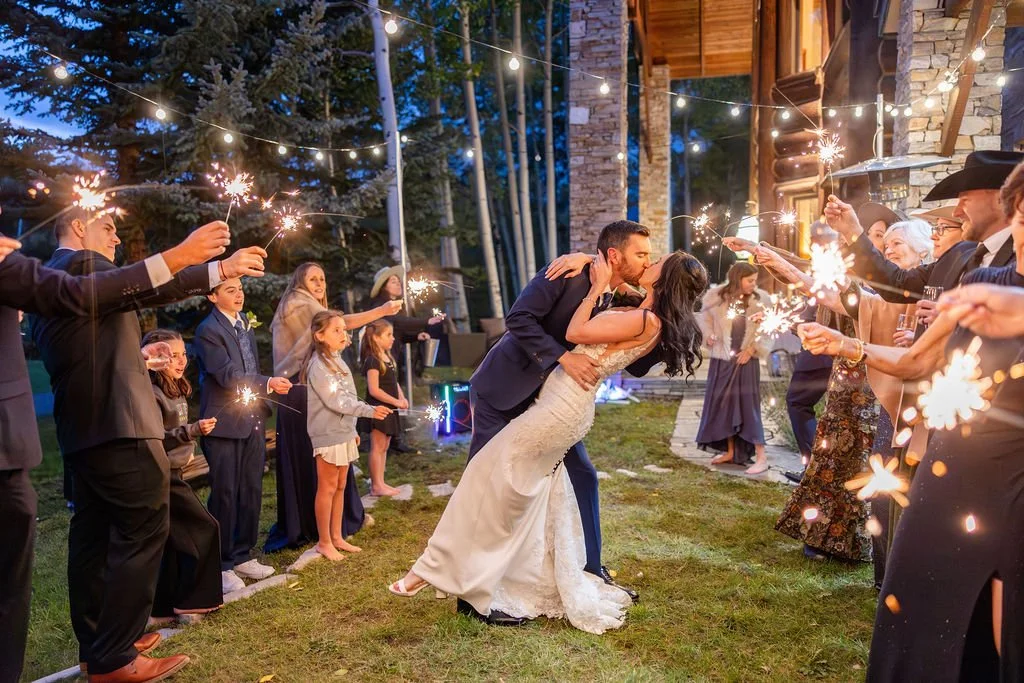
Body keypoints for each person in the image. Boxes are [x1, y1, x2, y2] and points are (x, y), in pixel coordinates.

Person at [388, 248, 708, 634]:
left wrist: (597, 288)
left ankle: (436, 573)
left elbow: (577, 334)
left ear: (663, 278)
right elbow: (521, 318)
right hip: (538, 397)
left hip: (560, 407)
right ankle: (508, 581)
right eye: (642, 253)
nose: (648, 260)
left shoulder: (643, 317)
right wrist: (593, 264)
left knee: (492, 484)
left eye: (655, 259)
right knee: (529, 494)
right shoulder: (626, 299)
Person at [797, 160, 1024, 681]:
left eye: (968, 197)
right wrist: (845, 343)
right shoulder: (981, 274)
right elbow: (919, 359)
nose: (957, 210)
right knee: (923, 604)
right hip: (957, 465)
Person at [28, 209, 265, 682]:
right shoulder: (80, 267)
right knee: (145, 524)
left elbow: (83, 347)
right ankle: (115, 656)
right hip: (120, 426)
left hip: (84, 428)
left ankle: (100, 646)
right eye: (108, 228)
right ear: (78, 229)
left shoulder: (51, 282)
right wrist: (208, 266)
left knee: (94, 536)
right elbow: (149, 284)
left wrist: (137, 358)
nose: (116, 238)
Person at [265, 262, 401, 553]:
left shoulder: (331, 358)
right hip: (299, 391)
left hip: (322, 404)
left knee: (337, 475)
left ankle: (339, 528)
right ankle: (317, 531)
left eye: (323, 279)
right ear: (300, 281)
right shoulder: (298, 303)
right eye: (312, 279)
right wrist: (381, 311)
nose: (319, 284)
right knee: (320, 470)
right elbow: (339, 322)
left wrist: (352, 424)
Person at [827, 151, 1022, 329]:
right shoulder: (958, 254)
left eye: (965, 200)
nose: (957, 211)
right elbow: (896, 282)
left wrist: (951, 324)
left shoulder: (1018, 262)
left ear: (999, 200)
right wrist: (851, 231)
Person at [194, 278, 292, 593]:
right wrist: (268, 382)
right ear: (212, 296)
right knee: (225, 492)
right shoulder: (208, 330)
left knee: (250, 488)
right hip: (222, 421)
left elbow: (249, 363)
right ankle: (221, 565)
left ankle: (242, 554)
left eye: (240, 289)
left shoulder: (245, 325)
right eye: (230, 290)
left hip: (252, 416)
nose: (239, 295)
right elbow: (226, 375)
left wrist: (263, 391)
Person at [141, 329, 223, 625]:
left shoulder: (176, 386)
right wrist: (192, 431)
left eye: (183, 355)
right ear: (156, 358)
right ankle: (192, 603)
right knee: (204, 527)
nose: (180, 361)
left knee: (173, 538)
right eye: (172, 356)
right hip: (160, 473)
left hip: (175, 470)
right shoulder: (151, 393)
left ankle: (163, 608)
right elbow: (154, 437)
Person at [303, 310, 391, 561]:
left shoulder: (338, 361)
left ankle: (337, 536)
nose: (344, 334)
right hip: (327, 434)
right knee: (327, 487)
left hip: (342, 432)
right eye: (337, 330)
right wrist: (370, 411)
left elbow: (350, 395)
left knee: (341, 485)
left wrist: (352, 430)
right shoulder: (318, 366)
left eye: (344, 329)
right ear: (319, 335)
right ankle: (324, 541)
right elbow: (337, 401)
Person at [694, 262, 772, 474]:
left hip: (746, 360)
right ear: (738, 279)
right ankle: (731, 451)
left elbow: (768, 329)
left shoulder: (761, 300)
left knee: (749, 407)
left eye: (755, 280)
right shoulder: (716, 297)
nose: (753, 284)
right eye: (750, 280)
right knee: (724, 405)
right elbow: (705, 321)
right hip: (723, 358)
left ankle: (761, 456)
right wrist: (709, 336)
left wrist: (752, 350)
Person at [366, 265, 445, 454]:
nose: (398, 284)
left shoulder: (394, 306)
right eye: (393, 281)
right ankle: (384, 441)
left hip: (390, 359)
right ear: (383, 286)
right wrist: (427, 321)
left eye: (398, 280)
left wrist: (416, 337)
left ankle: (392, 441)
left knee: (392, 396)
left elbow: (398, 331)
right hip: (380, 361)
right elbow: (400, 323)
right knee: (384, 397)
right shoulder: (382, 306)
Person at [359, 320, 408, 496]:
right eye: (388, 335)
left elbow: (393, 382)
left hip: (390, 408)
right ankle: (376, 486)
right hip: (378, 409)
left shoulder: (388, 358)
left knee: (385, 445)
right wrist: (395, 402)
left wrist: (401, 397)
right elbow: (374, 390)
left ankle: (381, 482)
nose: (393, 338)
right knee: (377, 446)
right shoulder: (372, 361)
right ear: (376, 338)